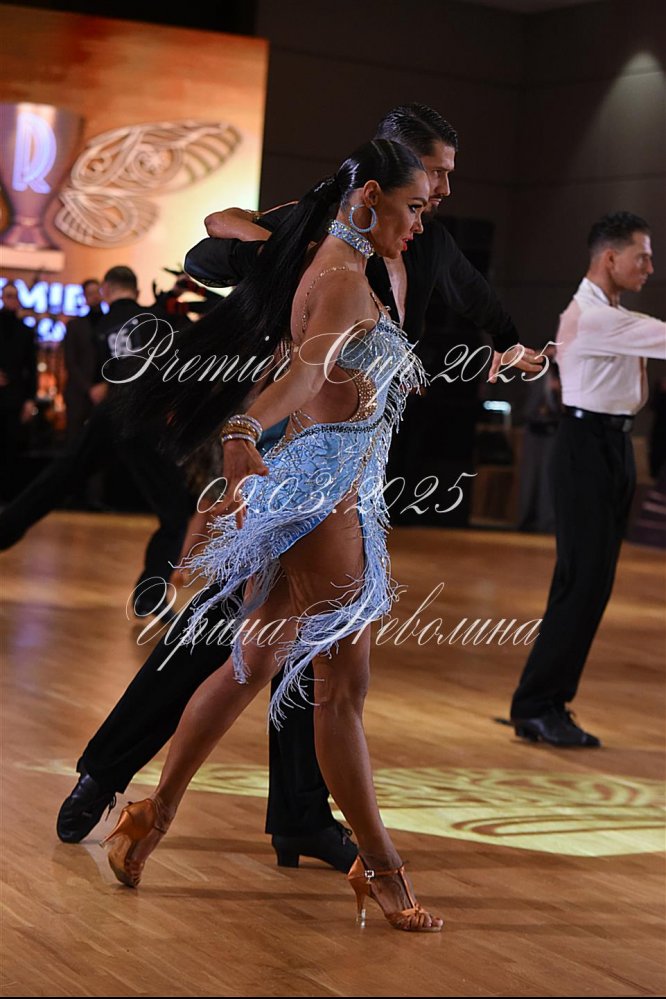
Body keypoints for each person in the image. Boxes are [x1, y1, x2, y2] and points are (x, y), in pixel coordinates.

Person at [56, 104, 541, 868]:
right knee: (225, 636)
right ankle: (108, 773)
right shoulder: (327, 230)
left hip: (356, 468)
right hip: (293, 453)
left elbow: (482, 307)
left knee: (297, 653)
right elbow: (213, 239)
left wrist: (513, 349)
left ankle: (296, 818)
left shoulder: (428, 242)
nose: (445, 189)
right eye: (436, 171)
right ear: (388, 169)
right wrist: (287, 247)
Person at [99, 138, 445, 932]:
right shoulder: (342, 277)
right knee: (339, 696)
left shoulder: (327, 262)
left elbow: (315, 363)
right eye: (415, 207)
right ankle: (383, 867)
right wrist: (244, 425)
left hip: (313, 489)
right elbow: (308, 373)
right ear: (369, 199)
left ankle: (151, 815)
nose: (422, 224)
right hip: (328, 501)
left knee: (250, 664)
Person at [508, 212, 666, 747]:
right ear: (611, 258)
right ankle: (537, 706)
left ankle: (546, 703)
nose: (649, 267)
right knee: (582, 582)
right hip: (585, 447)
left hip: (611, 445)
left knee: (591, 583)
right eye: (642, 257)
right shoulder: (594, 318)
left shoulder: (611, 313)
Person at [0, 266, 193, 619]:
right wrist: (175, 294)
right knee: (177, 510)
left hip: (109, 413)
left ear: (106, 290)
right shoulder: (152, 317)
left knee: (56, 481)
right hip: (139, 416)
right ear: (136, 290)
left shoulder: (103, 324)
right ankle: (150, 594)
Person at [0, 281, 37, 502]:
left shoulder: (25, 331)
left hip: (15, 398)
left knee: (10, 448)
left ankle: (7, 496)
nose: (11, 300)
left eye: (15, 296)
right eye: (8, 295)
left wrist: (30, 399)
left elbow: (31, 368)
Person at [63, 279, 106, 442]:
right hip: (79, 394)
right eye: (90, 293)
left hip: (106, 391)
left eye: (97, 292)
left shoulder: (110, 322)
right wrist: (89, 388)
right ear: (84, 297)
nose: (94, 296)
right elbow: (70, 362)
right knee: (76, 441)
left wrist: (105, 385)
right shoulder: (74, 326)